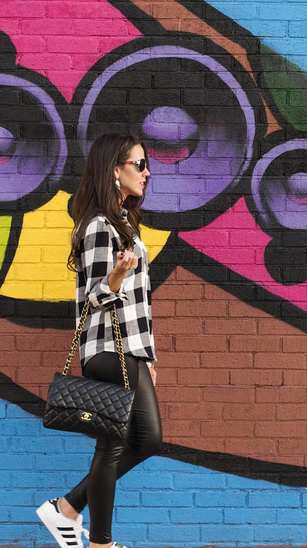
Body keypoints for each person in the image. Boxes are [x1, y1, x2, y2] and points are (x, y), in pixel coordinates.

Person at [36, 133, 162, 548]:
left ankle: (68, 511)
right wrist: (117, 276)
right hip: (108, 348)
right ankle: (97, 540)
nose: (146, 172)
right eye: (138, 164)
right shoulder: (97, 227)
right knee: (135, 442)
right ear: (114, 169)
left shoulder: (124, 223)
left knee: (125, 444)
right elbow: (94, 297)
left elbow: (140, 304)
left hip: (128, 349)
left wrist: (148, 357)